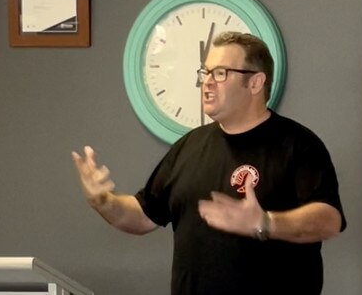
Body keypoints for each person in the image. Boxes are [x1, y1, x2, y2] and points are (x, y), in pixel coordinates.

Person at [72, 31, 346, 295]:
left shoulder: (298, 144)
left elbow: (329, 220)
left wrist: (265, 222)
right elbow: (143, 216)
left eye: (221, 73)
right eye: (205, 72)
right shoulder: (189, 146)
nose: (207, 82)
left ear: (255, 83)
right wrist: (103, 201)